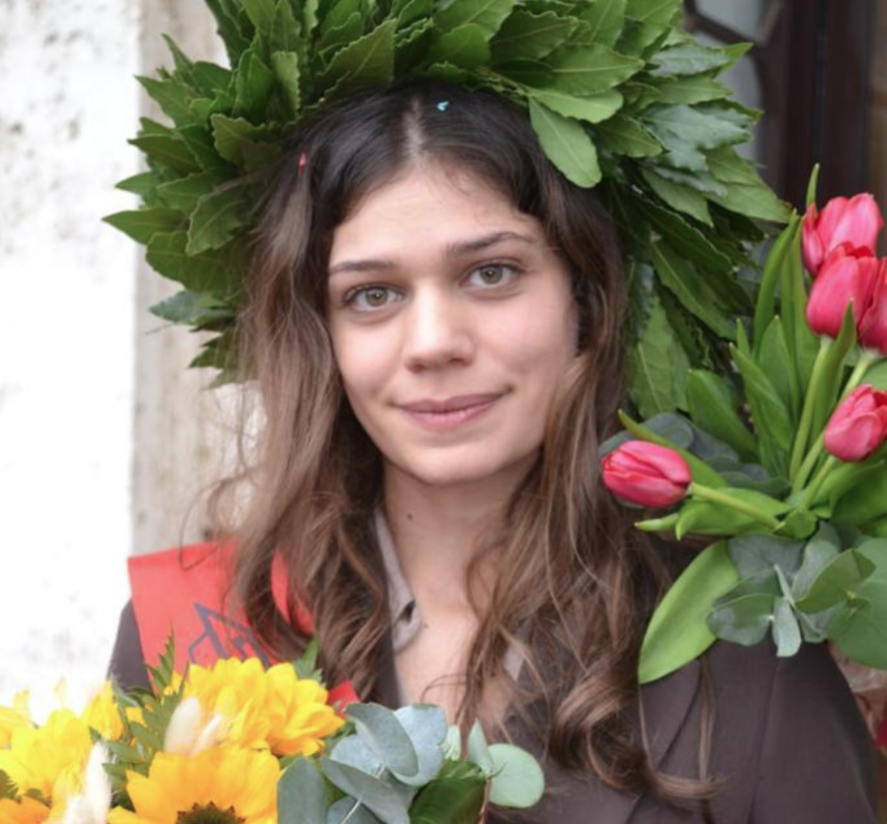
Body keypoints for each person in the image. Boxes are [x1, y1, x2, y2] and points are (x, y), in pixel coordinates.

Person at [110, 79, 878, 823]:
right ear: (322, 338)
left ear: (584, 303)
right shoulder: (195, 637)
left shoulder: (743, 653)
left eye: (490, 273)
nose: (433, 342)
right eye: (372, 294)